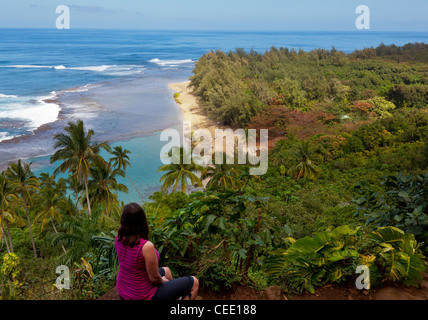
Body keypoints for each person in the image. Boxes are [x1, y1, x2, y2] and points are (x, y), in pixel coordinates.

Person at [115, 202, 199, 300]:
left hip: (124, 289)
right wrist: (164, 281)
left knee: (167, 271)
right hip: (142, 296)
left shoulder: (119, 238)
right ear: (142, 221)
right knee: (194, 282)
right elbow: (154, 279)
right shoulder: (146, 246)